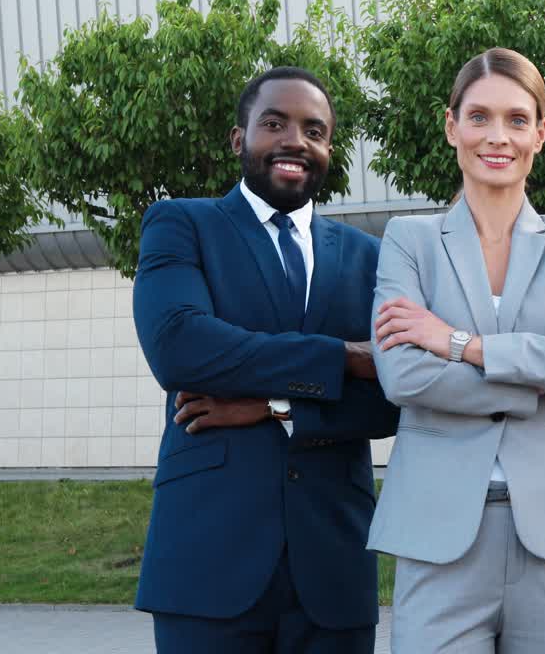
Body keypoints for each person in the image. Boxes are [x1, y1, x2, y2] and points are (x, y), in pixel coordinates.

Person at [367, 47, 545, 654]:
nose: (497, 136)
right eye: (479, 116)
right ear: (451, 124)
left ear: (540, 133)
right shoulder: (408, 242)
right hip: (438, 533)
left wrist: (459, 344)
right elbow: (404, 376)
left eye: (517, 119)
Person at [131, 66, 400, 653]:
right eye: (274, 123)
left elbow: (392, 399)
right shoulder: (182, 224)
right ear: (239, 139)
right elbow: (181, 346)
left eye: (314, 130)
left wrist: (270, 406)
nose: (295, 141)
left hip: (333, 566)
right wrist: (345, 358)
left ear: (329, 148)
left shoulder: (371, 257)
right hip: (207, 563)